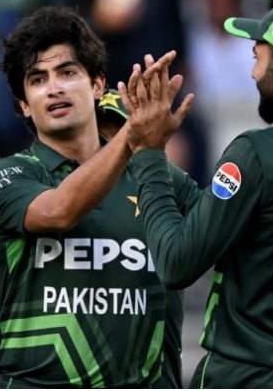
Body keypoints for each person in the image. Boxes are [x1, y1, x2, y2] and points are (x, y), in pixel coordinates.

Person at [123, 0, 273, 388]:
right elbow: (232, 211)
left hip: (249, 374)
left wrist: (149, 155)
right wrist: (150, 158)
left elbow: (176, 263)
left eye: (258, 58)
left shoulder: (257, 152)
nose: (254, 73)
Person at [0, 5, 196, 387]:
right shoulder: (7, 177)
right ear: (23, 105)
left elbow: (220, 238)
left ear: (98, 85)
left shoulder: (155, 174)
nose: (54, 88)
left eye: (68, 72)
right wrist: (133, 136)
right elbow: (58, 211)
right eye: (37, 80)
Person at [96, 88, 197, 389]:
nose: (113, 142)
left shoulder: (170, 182)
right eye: (103, 132)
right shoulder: (51, 188)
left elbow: (217, 234)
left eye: (125, 131)